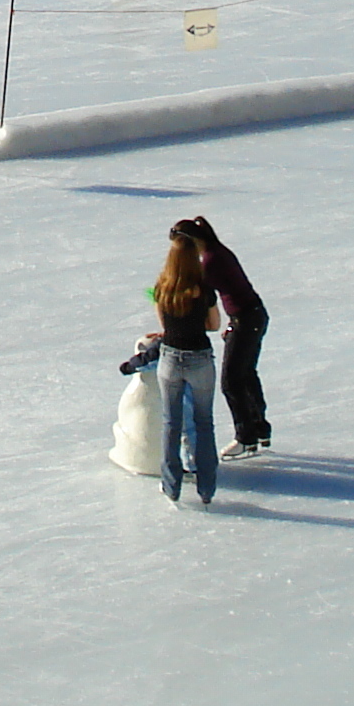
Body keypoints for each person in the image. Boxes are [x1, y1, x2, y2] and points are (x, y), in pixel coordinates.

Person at [138, 220, 222, 505]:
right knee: (204, 422)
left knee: (171, 423)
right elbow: (214, 324)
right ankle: (207, 488)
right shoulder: (204, 289)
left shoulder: (162, 288)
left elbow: (164, 325)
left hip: (170, 359)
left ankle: (171, 485)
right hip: (199, 359)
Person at [182, 214, 269, 458]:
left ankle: (246, 436)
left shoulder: (211, 261)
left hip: (246, 321)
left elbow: (202, 296)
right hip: (251, 317)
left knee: (231, 381)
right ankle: (259, 429)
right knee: (246, 375)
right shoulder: (216, 251)